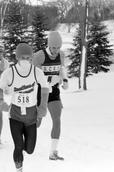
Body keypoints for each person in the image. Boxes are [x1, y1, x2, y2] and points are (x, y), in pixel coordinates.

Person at [0, 43, 49, 172]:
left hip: (31, 115)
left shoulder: (37, 72)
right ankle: (19, 168)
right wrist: (1, 102)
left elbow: (45, 89)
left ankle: (23, 153)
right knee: (18, 145)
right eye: (22, 57)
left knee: (30, 149)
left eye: (28, 58)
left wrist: (42, 109)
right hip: (15, 115)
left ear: (31, 58)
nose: (25, 60)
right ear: (17, 58)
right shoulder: (10, 72)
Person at [32, 31, 69, 161]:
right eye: (53, 47)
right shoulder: (39, 56)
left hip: (54, 92)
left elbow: (62, 69)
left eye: (58, 47)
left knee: (57, 120)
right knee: (37, 123)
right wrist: (49, 81)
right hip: (42, 92)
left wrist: (64, 80)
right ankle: (25, 140)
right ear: (49, 45)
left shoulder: (61, 55)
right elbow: (36, 76)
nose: (56, 50)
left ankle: (53, 152)